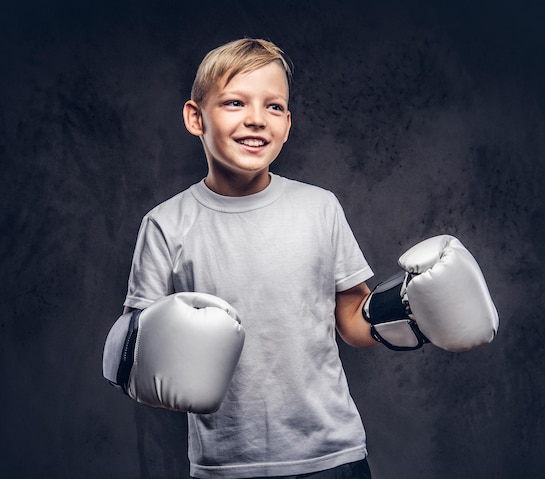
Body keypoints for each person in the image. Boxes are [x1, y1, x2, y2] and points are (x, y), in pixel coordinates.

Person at [123, 38, 377, 479]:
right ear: (195, 117)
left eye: (274, 106)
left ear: (288, 122)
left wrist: (411, 315)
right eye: (235, 102)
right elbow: (137, 341)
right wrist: (160, 365)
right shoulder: (166, 224)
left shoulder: (320, 207)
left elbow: (353, 318)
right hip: (225, 464)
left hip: (332, 455)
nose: (257, 120)